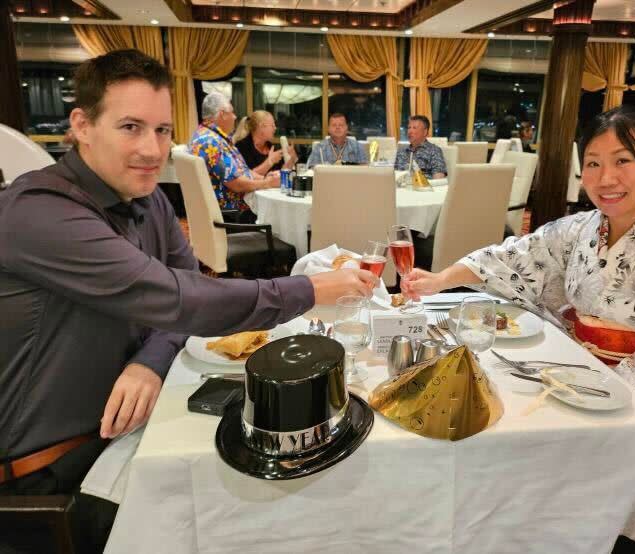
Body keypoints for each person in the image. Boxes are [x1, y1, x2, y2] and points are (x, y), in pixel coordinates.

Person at [0, 49, 377, 554]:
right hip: (52, 475)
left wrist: (150, 361)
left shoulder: (147, 198)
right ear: (81, 126)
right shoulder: (40, 212)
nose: (152, 149)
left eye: (161, 130)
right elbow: (182, 299)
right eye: (130, 127)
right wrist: (311, 289)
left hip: (128, 433)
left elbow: (182, 296)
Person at [402, 105, 635, 502]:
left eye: (623, 161)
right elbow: (517, 254)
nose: (606, 178)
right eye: (593, 163)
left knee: (518, 460)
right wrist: (440, 279)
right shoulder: (582, 228)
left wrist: (574, 390)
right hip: (583, 379)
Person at [188, 93, 277, 224]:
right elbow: (237, 184)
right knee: (282, 220)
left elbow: (241, 171)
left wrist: (267, 178)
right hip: (234, 215)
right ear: (222, 114)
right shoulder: (210, 142)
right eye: (232, 112)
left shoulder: (207, 135)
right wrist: (267, 183)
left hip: (233, 211)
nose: (235, 117)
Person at [235, 110, 297, 175]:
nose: (275, 128)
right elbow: (246, 177)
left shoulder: (270, 147)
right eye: (272, 125)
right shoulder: (242, 147)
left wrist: (292, 159)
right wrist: (269, 162)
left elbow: (281, 174)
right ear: (261, 127)